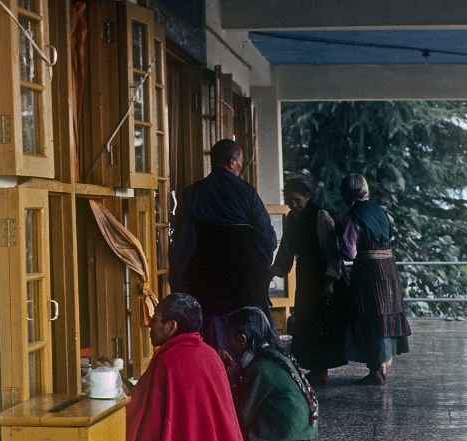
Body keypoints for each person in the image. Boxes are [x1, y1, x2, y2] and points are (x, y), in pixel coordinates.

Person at [125, 293, 250, 441]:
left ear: (171, 326)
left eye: (156, 319)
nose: (149, 325)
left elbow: (140, 415)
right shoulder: (209, 354)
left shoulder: (169, 361)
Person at [170, 139, 277, 350]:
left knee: (210, 331)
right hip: (244, 278)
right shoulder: (247, 193)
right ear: (232, 162)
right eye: (241, 162)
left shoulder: (193, 193)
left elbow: (183, 241)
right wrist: (260, 268)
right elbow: (267, 237)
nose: (242, 167)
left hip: (204, 276)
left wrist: (180, 278)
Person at [224, 307, 318, 441]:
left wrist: (232, 380)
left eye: (229, 340)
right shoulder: (275, 356)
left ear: (242, 339)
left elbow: (241, 418)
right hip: (303, 435)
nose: (228, 346)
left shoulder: (260, 368)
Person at [272, 177, 347, 386]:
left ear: (308, 197)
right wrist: (276, 270)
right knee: (305, 320)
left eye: (297, 200)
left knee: (320, 322)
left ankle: (320, 369)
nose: (293, 205)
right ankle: (312, 367)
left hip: (321, 275)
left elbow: (332, 252)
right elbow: (286, 248)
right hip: (304, 274)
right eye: (289, 201)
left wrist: (331, 280)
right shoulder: (292, 219)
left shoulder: (320, 217)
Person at [338, 174, 411, 385]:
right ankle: (382, 366)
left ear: (346, 193)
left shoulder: (353, 216)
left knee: (371, 316)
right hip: (388, 268)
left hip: (369, 271)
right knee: (385, 314)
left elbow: (349, 252)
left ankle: (376, 371)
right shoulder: (382, 211)